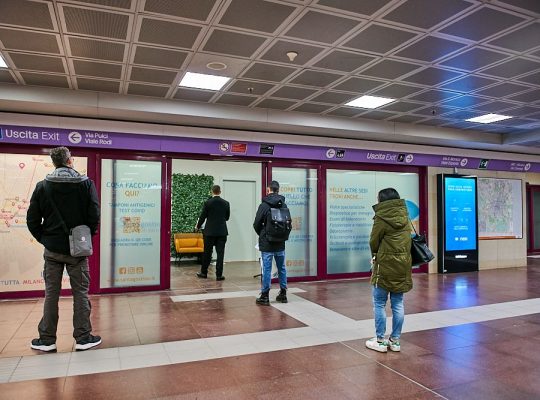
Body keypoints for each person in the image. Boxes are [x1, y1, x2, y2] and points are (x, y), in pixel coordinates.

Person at [26, 146, 101, 352]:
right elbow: (94, 215)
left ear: (54, 163)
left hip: (52, 251)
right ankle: (83, 338)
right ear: (70, 161)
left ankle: (47, 339)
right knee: (81, 293)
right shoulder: (86, 184)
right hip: (78, 251)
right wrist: (84, 237)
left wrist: (46, 239)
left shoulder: (43, 186)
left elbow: (32, 220)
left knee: (51, 294)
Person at [365, 187, 412, 353]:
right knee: (398, 303)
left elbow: (373, 241)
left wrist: (376, 255)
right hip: (402, 264)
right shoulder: (405, 215)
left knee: (379, 303)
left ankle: (380, 340)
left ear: (382, 200)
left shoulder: (381, 217)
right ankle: (395, 340)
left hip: (384, 264)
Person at [253, 180, 288, 306]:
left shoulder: (264, 205)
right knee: (281, 268)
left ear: (268, 190)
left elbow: (256, 223)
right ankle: (283, 293)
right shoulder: (283, 205)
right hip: (280, 242)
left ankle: (265, 295)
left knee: (267, 269)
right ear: (278, 190)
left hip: (267, 242)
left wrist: (263, 234)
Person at [195, 185, 230, 281]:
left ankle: (204, 273)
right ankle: (219, 275)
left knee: (207, 252)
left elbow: (202, 217)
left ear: (212, 191)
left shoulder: (207, 203)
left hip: (209, 232)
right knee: (220, 254)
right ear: (220, 191)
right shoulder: (226, 203)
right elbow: (227, 218)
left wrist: (197, 227)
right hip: (222, 232)